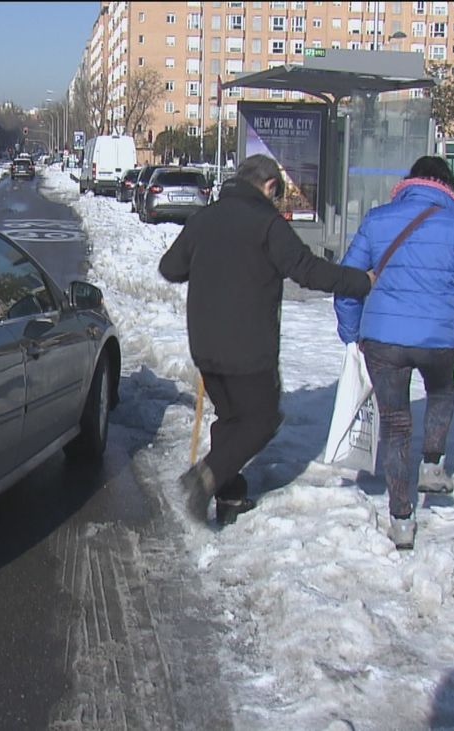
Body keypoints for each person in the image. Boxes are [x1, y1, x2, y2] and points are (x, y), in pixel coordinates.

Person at [159, 154, 375, 528]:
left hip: (206, 345)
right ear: (270, 186)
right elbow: (307, 270)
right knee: (261, 420)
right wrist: (362, 282)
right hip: (248, 347)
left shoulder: (204, 219)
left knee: (231, 419)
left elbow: (170, 267)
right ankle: (205, 477)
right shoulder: (267, 224)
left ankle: (229, 493)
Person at [334, 156, 454, 550]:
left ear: (409, 182)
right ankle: (433, 464)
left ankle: (402, 519)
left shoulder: (377, 220)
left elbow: (348, 282)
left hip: (383, 340)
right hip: (438, 340)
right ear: (447, 186)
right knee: (441, 391)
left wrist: (352, 332)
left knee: (396, 426)